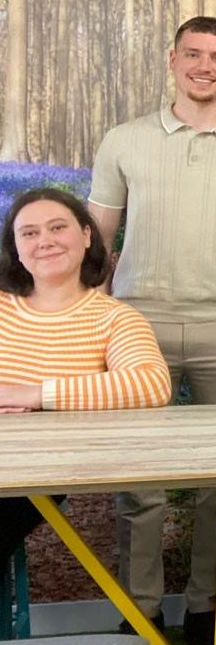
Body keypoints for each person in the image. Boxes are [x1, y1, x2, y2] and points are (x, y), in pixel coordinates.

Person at [89, 16, 216, 645]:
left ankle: (209, 607)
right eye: (194, 54)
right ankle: (139, 612)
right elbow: (96, 241)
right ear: (173, 60)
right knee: (140, 480)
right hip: (135, 326)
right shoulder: (123, 141)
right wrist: (98, 319)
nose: (205, 66)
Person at [0, 189, 171, 564]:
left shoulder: (114, 318)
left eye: (57, 227)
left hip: (35, 474)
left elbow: (151, 382)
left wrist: (31, 394)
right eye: (29, 233)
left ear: (86, 235)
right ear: (16, 248)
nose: (44, 240)